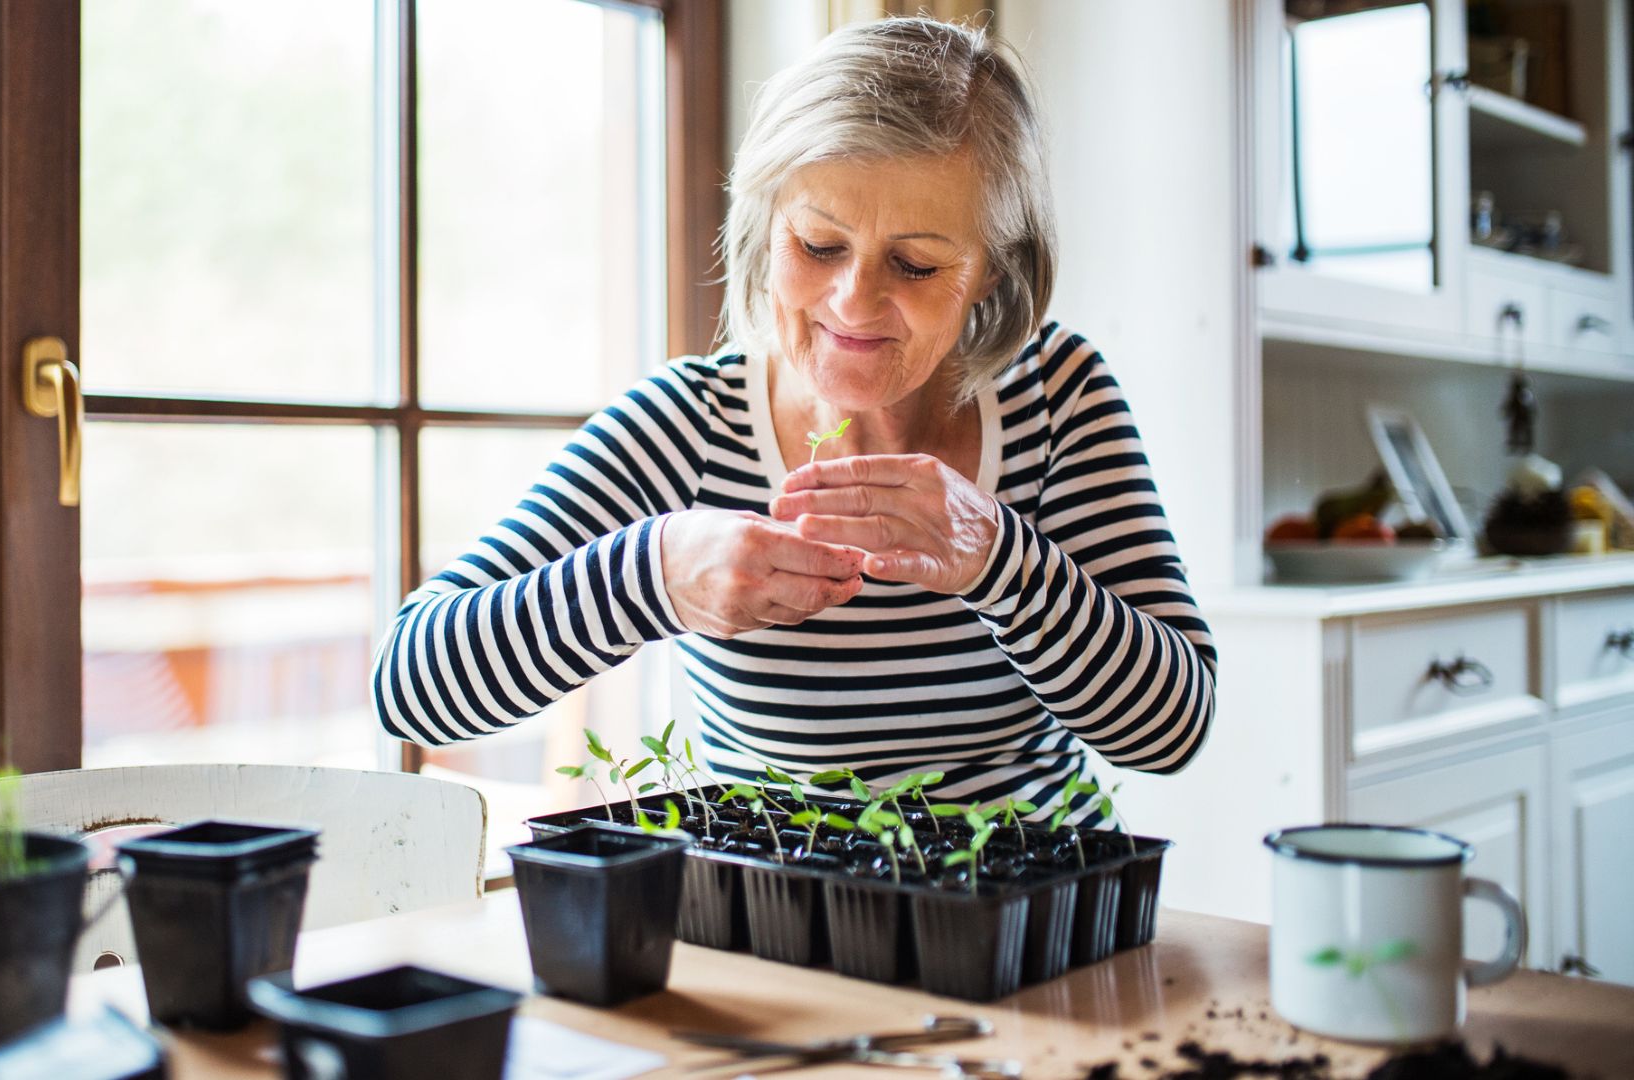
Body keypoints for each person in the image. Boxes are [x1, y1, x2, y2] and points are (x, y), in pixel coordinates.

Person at [372, 16, 1215, 825]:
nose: (854, 301)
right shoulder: (687, 426)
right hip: (777, 937)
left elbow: (1174, 729)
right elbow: (408, 686)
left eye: (916, 264)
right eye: (818, 246)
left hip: (1025, 935)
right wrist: (651, 577)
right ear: (764, 229)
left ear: (993, 273)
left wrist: (1000, 560)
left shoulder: (1058, 398)